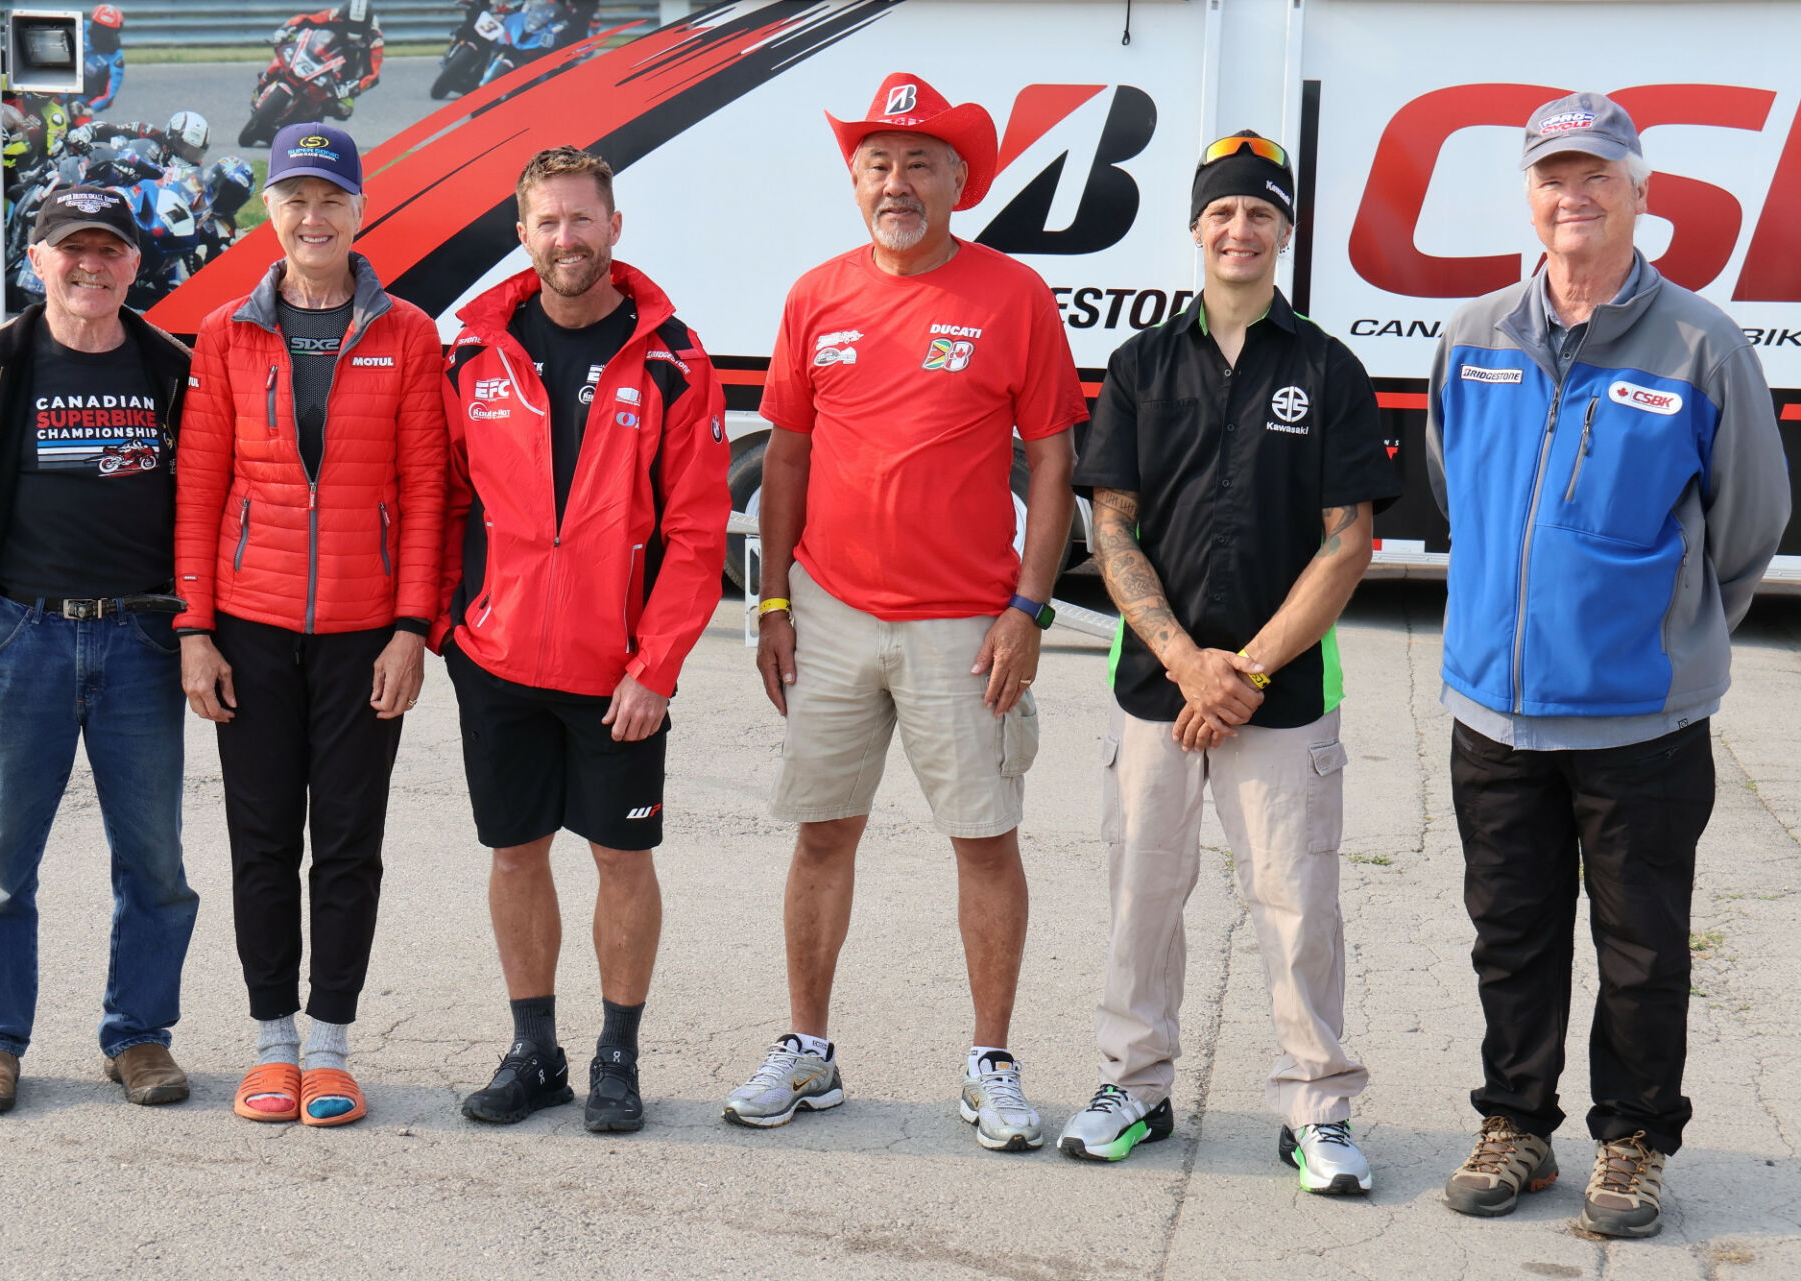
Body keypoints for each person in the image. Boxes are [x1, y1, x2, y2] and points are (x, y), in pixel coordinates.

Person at [1428, 92, 1789, 1237]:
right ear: (1529, 196)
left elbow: (1749, 525)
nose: (1571, 195)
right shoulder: (1475, 335)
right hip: (1495, 709)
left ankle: (1632, 1141)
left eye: (1596, 175)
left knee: (1641, 948)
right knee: (1511, 932)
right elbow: (1457, 494)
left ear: (1641, 194)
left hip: (1641, 719)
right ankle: (1516, 1125)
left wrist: (1670, 632)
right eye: (1552, 176)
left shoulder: (1701, 342)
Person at [722, 73, 1086, 1152]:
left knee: (984, 840)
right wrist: (775, 599)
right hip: (828, 614)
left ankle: (989, 1062)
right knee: (823, 836)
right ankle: (808, 1050)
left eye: (920, 162)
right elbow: (785, 456)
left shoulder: (1012, 296)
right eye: (878, 163)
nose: (897, 182)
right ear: (855, 180)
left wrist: (1030, 604)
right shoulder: (815, 296)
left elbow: (1054, 462)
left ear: (958, 181)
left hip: (966, 625)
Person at [1059, 131, 1401, 1189]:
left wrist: (1241, 670)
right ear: (1197, 228)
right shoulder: (1141, 366)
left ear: (1285, 231)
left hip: (1284, 694)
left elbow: (1350, 540)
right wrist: (1181, 660)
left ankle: (1317, 1109)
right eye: (1223, 212)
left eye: (1261, 213)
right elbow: (1109, 527)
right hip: (1155, 690)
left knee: (1297, 905)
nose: (1240, 229)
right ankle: (1134, 1087)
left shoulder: (1327, 369)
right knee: (1142, 896)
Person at [0, 186, 199, 1113]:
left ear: (137, 265)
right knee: (0, 861)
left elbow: (215, 506)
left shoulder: (173, 368)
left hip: (143, 639)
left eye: (109, 249)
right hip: (22, 636)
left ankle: (139, 1035)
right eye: (73, 249)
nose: (91, 265)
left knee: (155, 864)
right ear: (37, 258)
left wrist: (197, 634)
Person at [436, 145, 729, 1134]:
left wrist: (657, 667)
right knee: (516, 858)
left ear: (615, 226)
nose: (567, 238)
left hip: (618, 680)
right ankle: (535, 1054)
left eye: (582, 219)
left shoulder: (675, 360)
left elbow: (696, 538)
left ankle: (616, 1056)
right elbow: (439, 500)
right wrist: (448, 626)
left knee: (621, 861)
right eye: (547, 222)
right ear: (523, 236)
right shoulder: (472, 352)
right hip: (498, 664)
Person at [173, 123, 448, 1128]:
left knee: (347, 839)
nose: (312, 216)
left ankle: (330, 1045)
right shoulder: (226, 333)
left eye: (330, 197)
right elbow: (199, 489)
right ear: (270, 212)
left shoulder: (409, 332)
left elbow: (428, 494)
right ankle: (270, 1045)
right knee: (258, 840)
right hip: (247, 628)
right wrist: (194, 630)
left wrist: (413, 627)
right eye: (294, 197)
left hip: (364, 634)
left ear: (359, 209)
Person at [274, 0, 385, 121]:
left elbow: (373, 75)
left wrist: (352, 88)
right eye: (351, 24)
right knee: (283, 57)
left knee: (342, 110)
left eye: (359, 27)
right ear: (343, 17)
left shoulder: (374, 39)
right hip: (321, 50)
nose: (354, 30)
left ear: (367, 25)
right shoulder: (333, 16)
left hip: (346, 69)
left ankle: (309, 119)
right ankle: (266, 82)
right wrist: (285, 29)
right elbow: (306, 19)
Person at [67, 110, 211, 168]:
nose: (187, 155)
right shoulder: (148, 133)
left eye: (194, 152)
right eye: (183, 146)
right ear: (170, 137)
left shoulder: (194, 168)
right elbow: (113, 129)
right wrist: (87, 132)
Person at [82, 5, 126, 115]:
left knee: (85, 127)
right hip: (64, 83)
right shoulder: (79, 27)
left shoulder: (116, 58)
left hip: (85, 95)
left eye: (106, 32)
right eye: (98, 28)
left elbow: (110, 94)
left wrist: (90, 108)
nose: (100, 34)